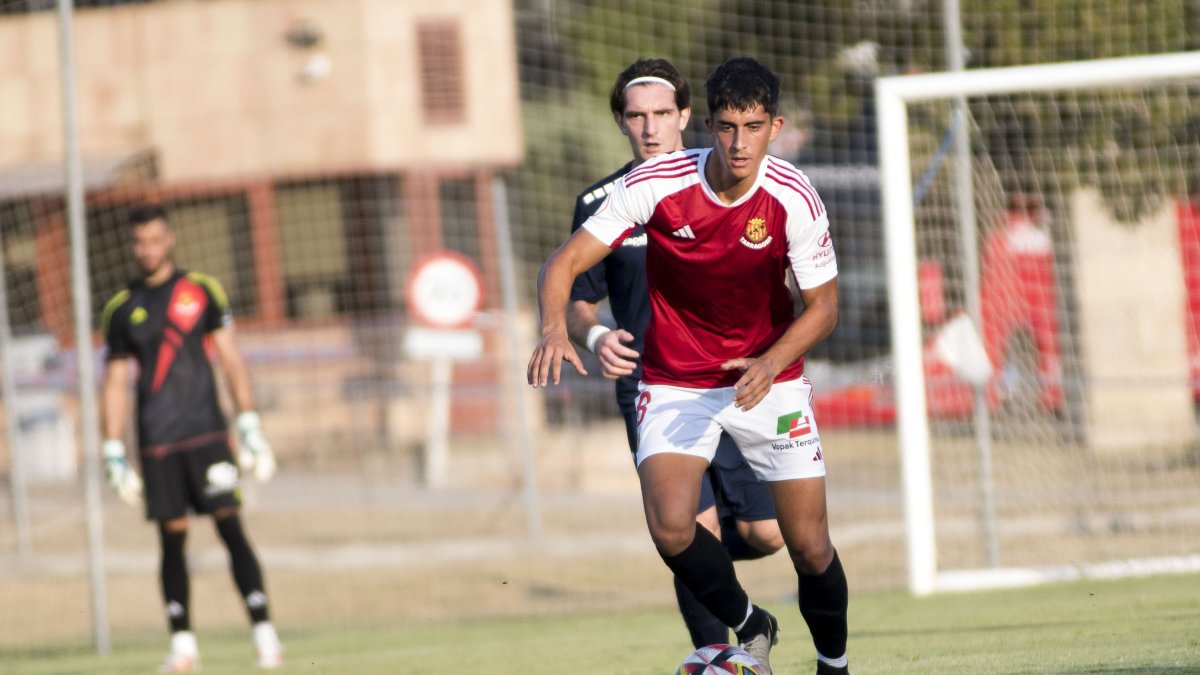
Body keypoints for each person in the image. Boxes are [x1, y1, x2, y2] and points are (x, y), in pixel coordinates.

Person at [529, 57, 850, 675]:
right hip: (675, 380)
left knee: (805, 545)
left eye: (752, 127)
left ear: (775, 126)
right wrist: (554, 328)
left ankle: (833, 665)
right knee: (672, 526)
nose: (738, 142)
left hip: (770, 382)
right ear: (707, 123)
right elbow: (563, 265)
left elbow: (824, 308)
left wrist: (771, 360)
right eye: (727, 126)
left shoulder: (794, 196)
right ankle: (752, 625)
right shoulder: (655, 184)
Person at [564, 57, 784, 649]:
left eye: (663, 113)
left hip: (731, 382)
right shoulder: (601, 203)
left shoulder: (732, 184)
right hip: (654, 389)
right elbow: (575, 300)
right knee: (690, 527)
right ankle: (721, 654)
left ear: (688, 115)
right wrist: (593, 336)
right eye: (637, 116)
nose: (651, 127)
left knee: (766, 532)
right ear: (620, 122)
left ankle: (697, 563)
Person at [100, 203, 284, 671]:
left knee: (231, 528)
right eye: (140, 242)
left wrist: (249, 424)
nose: (148, 249)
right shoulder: (122, 309)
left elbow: (230, 359)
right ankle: (183, 647)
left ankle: (265, 636)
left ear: (170, 239)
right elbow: (115, 382)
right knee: (171, 541)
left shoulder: (201, 290)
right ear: (133, 245)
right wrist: (113, 450)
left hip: (207, 435)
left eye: (156, 240)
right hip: (158, 443)